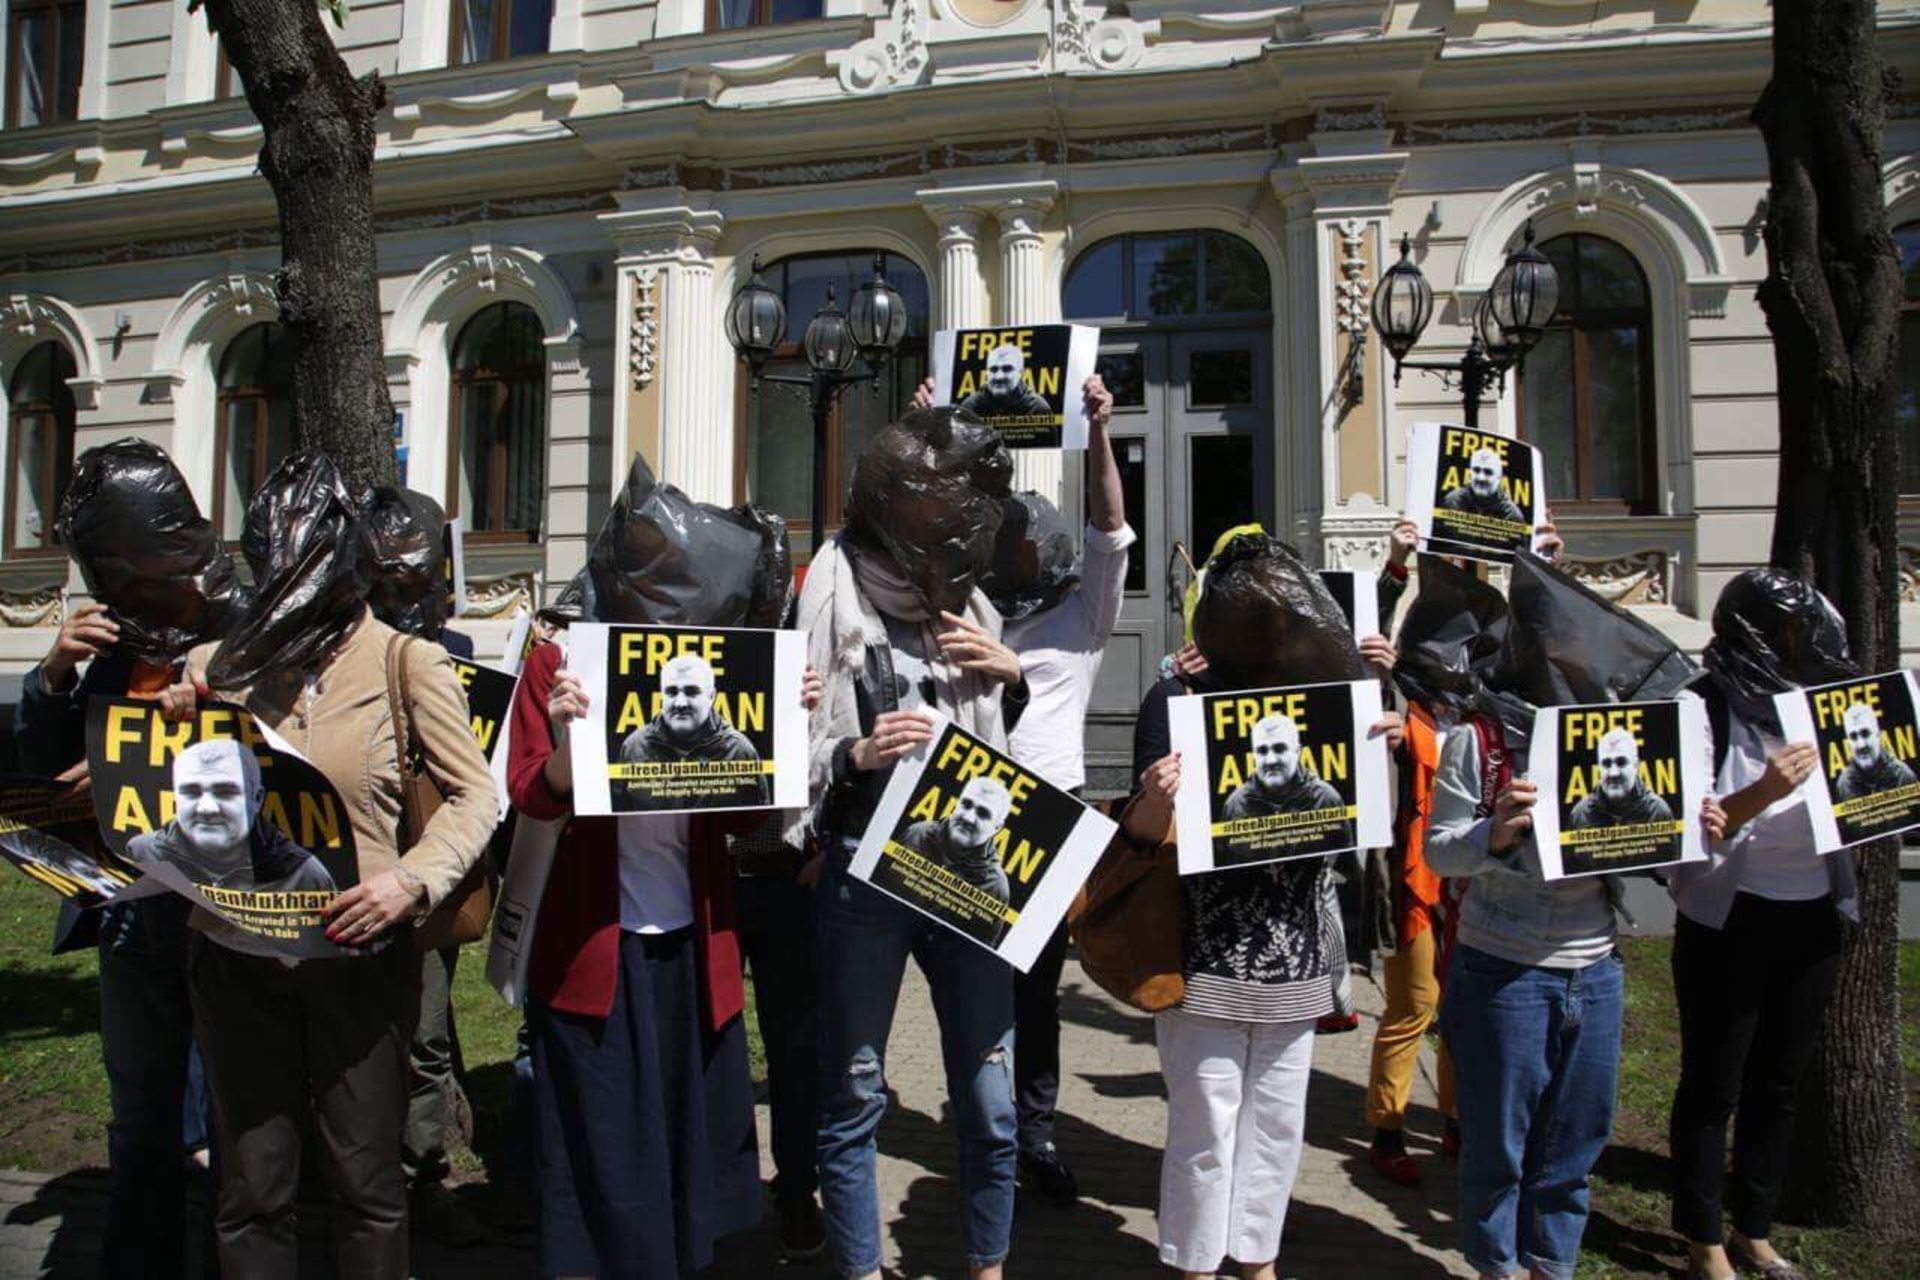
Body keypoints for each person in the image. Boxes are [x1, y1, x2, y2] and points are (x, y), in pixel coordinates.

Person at [182, 453, 499, 1279]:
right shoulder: (225, 668)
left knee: (366, 1183)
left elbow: (476, 798)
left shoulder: (406, 662)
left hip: (358, 961)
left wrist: (410, 880)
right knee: (253, 1189)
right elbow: (171, 783)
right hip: (238, 957)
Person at [506, 455, 794, 1279]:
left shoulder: (720, 682)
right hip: (592, 956)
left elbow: (750, 818)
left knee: (685, 1137)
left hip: (690, 951)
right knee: (598, 1143)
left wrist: (787, 734)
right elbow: (528, 794)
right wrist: (567, 747)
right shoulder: (557, 666)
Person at [1127, 533, 1401, 1280]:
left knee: (1279, 1125)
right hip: (1203, 959)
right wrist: (1157, 796)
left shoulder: (1332, 704)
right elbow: (1138, 837)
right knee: (1204, 1127)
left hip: (1299, 955)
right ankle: (1192, 1264)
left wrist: (1381, 722)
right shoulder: (1178, 699)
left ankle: (1258, 1261)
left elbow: (1364, 820)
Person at [1428, 550, 1703, 1280]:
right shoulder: (1476, 739)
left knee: (1575, 1145)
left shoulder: (1629, 739)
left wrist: (1698, 823)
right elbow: (1439, 853)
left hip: (1597, 971)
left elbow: (1666, 859)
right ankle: (1497, 1266)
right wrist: (1492, 833)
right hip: (1504, 972)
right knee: (1500, 1147)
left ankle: (1553, 1265)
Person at [803, 405, 1028, 1280]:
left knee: (990, 1100)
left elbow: (1003, 758)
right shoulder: (829, 594)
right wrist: (855, 750)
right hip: (863, 877)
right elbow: (795, 749)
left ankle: (987, 1267)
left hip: (968, 882)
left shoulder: (971, 608)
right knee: (855, 1090)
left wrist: (1009, 678)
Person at [16, 438, 239, 1280]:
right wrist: (55, 671)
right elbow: (39, 764)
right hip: (127, 912)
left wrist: (198, 711)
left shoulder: (233, 627)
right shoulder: (103, 643)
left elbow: (273, 759)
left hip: (221, 911)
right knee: (141, 1111)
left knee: (233, 1111)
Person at [915, 370, 1130, 1203]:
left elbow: (1110, 525)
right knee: (973, 980)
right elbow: (915, 531)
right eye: (1005, 544)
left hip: (1051, 813)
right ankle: (983, 1121)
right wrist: (929, 435)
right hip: (970, 804)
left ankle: (1031, 1130)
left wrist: (1101, 431)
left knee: (1037, 987)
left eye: (1029, 544)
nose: (1019, 553)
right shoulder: (971, 605)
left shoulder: (1084, 615)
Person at [1668, 569, 1861, 1280]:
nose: (1799, 646)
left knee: (1779, 1084)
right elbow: (1686, 835)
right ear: (1755, 636)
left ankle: (1756, 1229)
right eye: (1786, 634)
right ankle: (1703, 1237)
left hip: (1812, 917)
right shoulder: (1700, 707)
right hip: (1730, 921)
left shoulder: (1818, 703)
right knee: (1714, 1084)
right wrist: (1760, 793)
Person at [364, 484, 491, 1249]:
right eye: (391, 583)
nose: (408, 598)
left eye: (419, 580)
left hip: (429, 874)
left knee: (425, 1037)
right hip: (355, 867)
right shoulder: (341, 653)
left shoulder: (461, 657)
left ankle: (421, 1179)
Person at [125, 740, 337, 893]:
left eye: (225, 792)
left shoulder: (302, 874)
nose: (206, 809)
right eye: (191, 792)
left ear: (257, 798)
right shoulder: (143, 852)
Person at [618, 653, 769, 805]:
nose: (680, 703)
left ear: (711, 696)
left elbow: (762, 822)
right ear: (661, 695)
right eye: (671, 692)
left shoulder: (739, 751)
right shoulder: (634, 748)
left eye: (691, 692)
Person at [900, 775, 1014, 910]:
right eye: (966, 804)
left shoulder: (995, 888)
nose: (968, 818)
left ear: (997, 827)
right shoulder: (916, 833)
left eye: (983, 813)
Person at [1224, 714, 1345, 821]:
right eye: (1262, 751)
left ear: (1297, 751)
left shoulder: (1326, 800)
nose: (1271, 760)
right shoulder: (1234, 806)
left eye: (1279, 749)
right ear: (1254, 756)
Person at [1569, 728, 1674, 829]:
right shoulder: (1580, 815)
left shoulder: (1658, 812)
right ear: (1599, 768)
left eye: (1621, 762)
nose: (1614, 773)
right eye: (1606, 763)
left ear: (1636, 765)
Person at [1834, 701, 1915, 799]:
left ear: (1878, 735)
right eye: (1853, 737)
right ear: (1848, 742)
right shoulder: (1844, 784)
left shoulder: (1903, 777)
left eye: (1865, 733)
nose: (1861, 745)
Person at [961, 343, 1054, 419]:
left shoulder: (1038, 409)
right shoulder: (969, 408)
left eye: (1007, 369)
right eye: (993, 369)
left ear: (1021, 373)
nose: (999, 377)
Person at [1440, 446, 1526, 526]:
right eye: (1476, 470)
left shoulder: (1512, 515)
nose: (1481, 478)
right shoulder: (1452, 502)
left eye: (1488, 472)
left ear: (1500, 478)